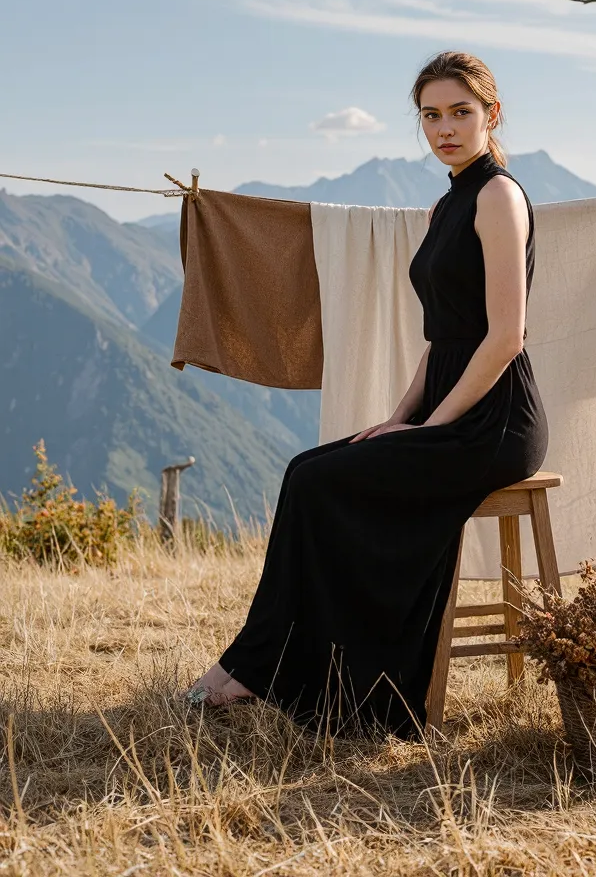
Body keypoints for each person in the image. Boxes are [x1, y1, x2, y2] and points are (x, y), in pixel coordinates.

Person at [185, 50, 549, 738]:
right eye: (431, 116)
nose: (445, 128)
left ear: (492, 115)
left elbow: (506, 337)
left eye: (460, 112)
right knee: (306, 470)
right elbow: (444, 339)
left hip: (496, 421)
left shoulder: (498, 197)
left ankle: (263, 674)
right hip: (448, 408)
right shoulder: (448, 204)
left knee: (317, 484)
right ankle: (269, 666)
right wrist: (398, 418)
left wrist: (431, 430)